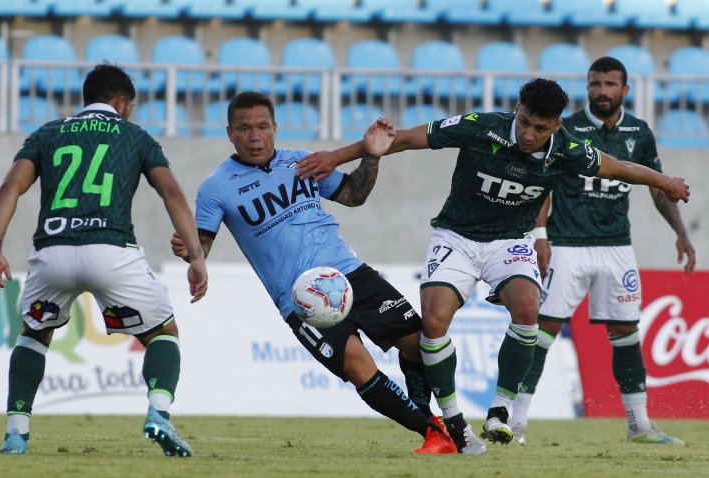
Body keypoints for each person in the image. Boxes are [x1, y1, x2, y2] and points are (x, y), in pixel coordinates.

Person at [295, 78, 691, 446]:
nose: (528, 134)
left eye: (540, 128)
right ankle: (453, 420)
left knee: (528, 308)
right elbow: (401, 140)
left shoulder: (569, 150)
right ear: (515, 109)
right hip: (456, 236)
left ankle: (500, 409)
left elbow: (620, 167)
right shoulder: (480, 126)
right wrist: (337, 155)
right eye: (523, 122)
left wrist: (665, 181)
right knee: (432, 321)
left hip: (510, 242)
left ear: (555, 126)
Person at [170, 91, 484, 455]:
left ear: (275, 127)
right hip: (299, 297)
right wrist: (189, 250)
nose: (254, 136)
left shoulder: (302, 161)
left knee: (418, 343)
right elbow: (201, 247)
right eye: (244, 129)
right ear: (229, 133)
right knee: (356, 364)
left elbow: (353, 195)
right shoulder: (216, 187)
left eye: (261, 127)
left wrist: (372, 157)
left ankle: (431, 418)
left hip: (349, 273)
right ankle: (432, 431)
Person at [0, 64, 207, 457]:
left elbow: (10, 186)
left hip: (53, 253)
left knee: (33, 336)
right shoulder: (134, 136)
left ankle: (17, 432)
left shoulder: (47, 134)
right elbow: (171, 192)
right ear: (121, 103)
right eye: (130, 107)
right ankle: (159, 413)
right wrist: (197, 255)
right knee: (163, 334)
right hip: (111, 252)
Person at [509, 57, 695, 446]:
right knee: (543, 330)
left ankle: (639, 425)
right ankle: (517, 422)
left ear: (624, 90)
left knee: (626, 332)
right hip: (566, 245)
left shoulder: (638, 132)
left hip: (616, 248)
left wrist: (681, 233)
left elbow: (658, 188)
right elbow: (544, 184)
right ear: (588, 87)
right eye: (595, 83)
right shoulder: (566, 128)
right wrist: (540, 235)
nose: (602, 91)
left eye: (610, 84)